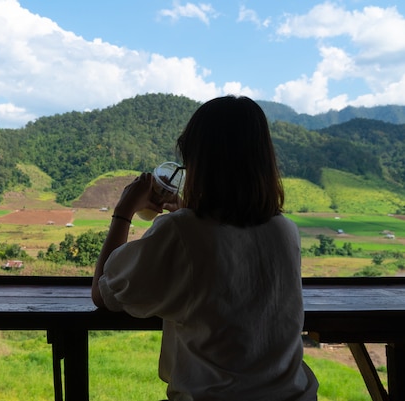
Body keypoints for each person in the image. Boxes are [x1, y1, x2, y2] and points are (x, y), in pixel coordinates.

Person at [91, 95, 319, 400]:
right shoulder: (285, 230)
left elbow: (104, 293)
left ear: (199, 163)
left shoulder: (183, 231)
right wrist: (186, 215)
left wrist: (123, 212)